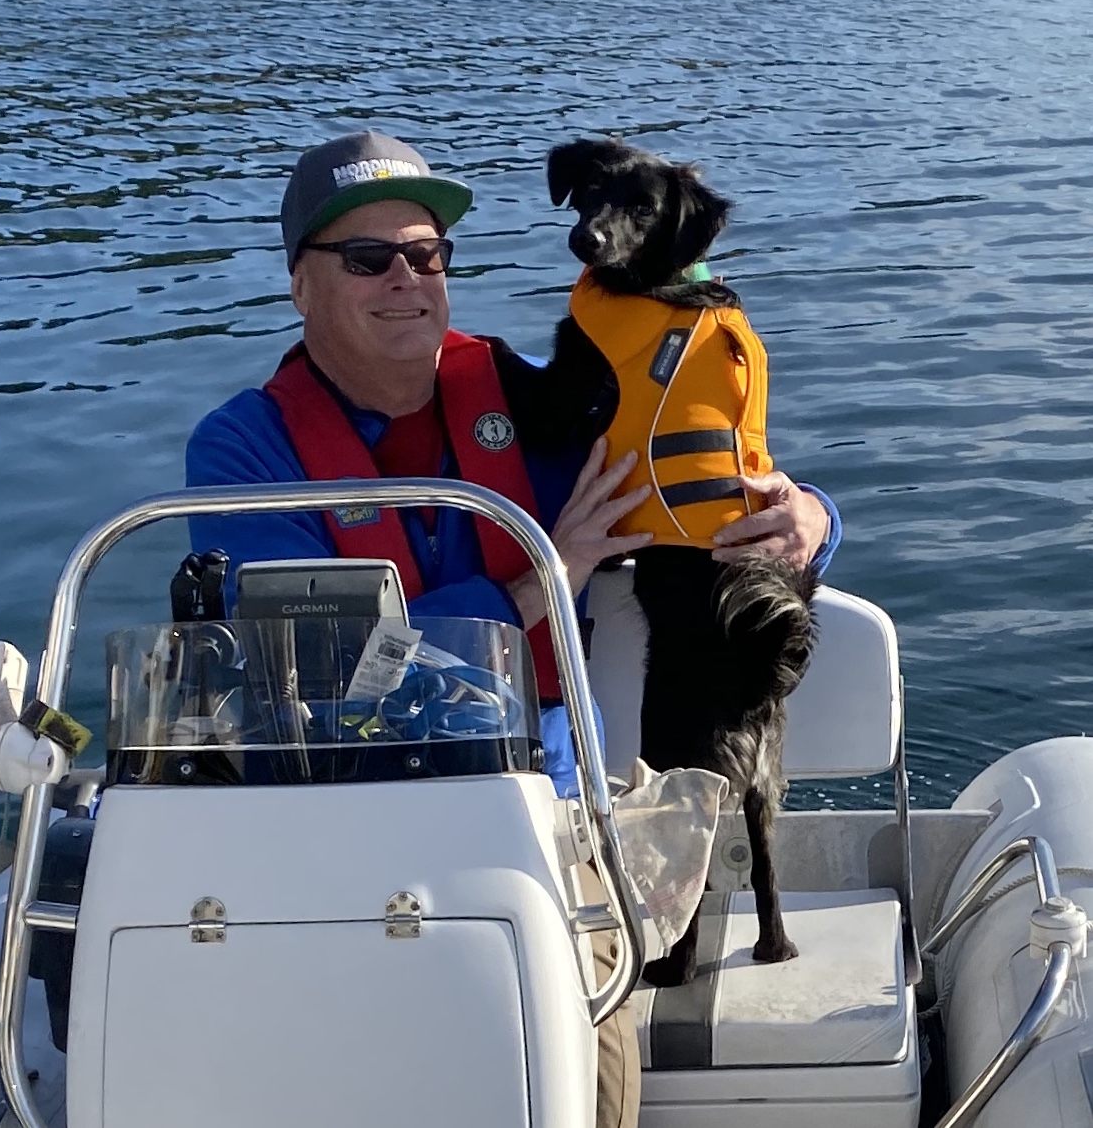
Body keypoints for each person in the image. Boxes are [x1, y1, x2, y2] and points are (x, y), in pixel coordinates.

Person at [186, 131, 841, 1128]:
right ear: (300, 284)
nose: (407, 278)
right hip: (339, 814)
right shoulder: (244, 451)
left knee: (579, 1062)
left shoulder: (534, 403)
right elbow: (317, 675)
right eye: (368, 257)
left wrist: (813, 520)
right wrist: (539, 584)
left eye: (427, 254)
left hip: (540, 810)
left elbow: (705, 481)